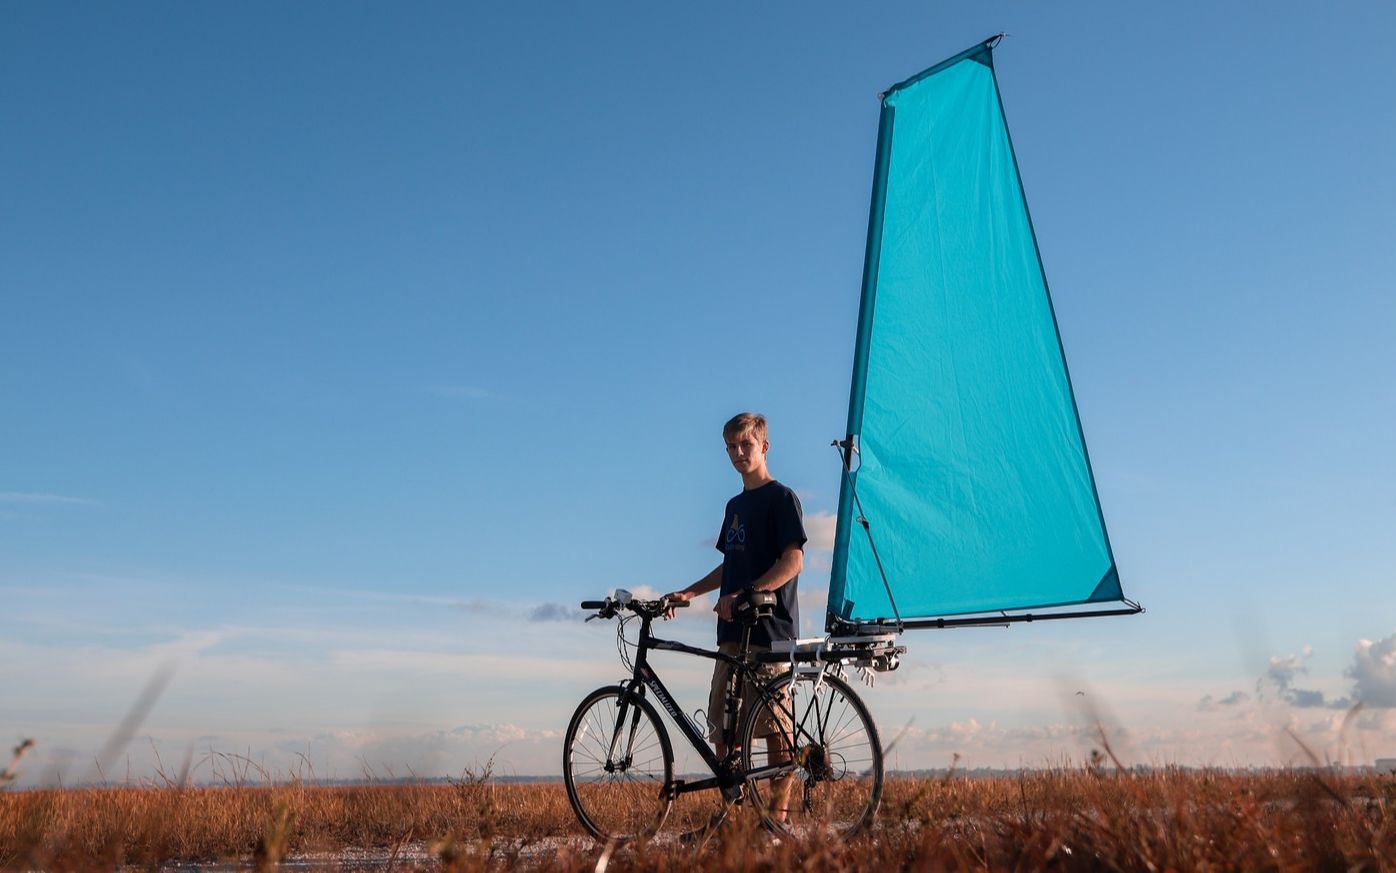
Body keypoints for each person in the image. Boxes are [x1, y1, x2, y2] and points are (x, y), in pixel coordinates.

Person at [664, 412, 806, 818]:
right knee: (724, 732)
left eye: (746, 444)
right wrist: (690, 591)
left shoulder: (782, 498)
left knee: (775, 729)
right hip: (731, 632)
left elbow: (793, 561)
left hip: (769, 631)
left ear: (764, 446)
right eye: (731, 446)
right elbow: (731, 565)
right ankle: (737, 820)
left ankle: (775, 823)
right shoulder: (734, 506)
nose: (738, 452)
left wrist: (751, 592)